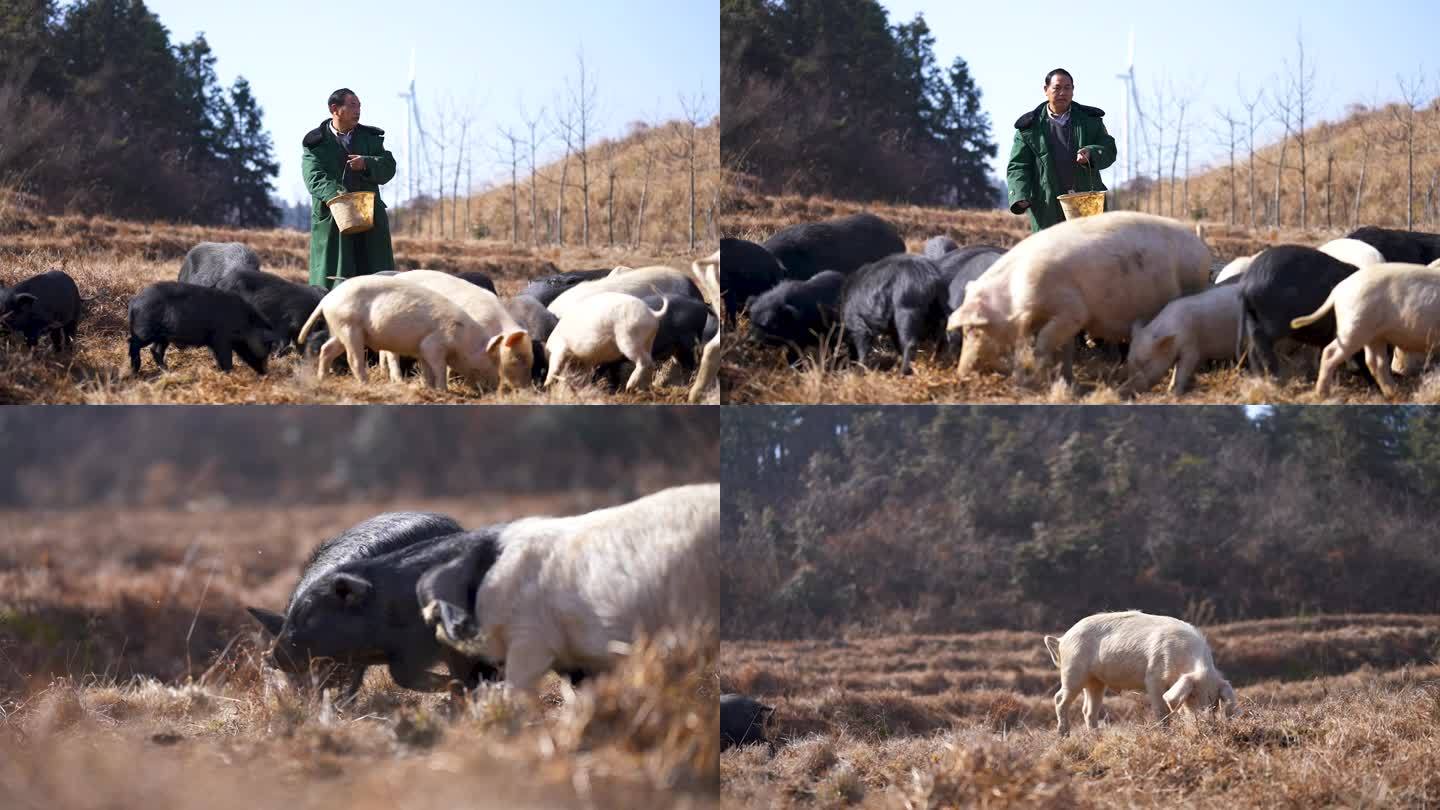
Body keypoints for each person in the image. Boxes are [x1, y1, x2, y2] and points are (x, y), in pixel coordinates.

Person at [302, 88, 397, 288]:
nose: (358, 110)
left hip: (370, 217)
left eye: (360, 106)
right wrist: (340, 198)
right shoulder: (315, 143)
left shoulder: (370, 138)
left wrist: (367, 163)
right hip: (333, 218)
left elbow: (388, 167)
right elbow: (314, 177)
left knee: (376, 281)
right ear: (335, 109)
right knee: (333, 282)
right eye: (353, 105)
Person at [1007, 68, 1117, 232]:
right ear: (1046, 90)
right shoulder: (1028, 128)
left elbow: (1109, 148)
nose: (1062, 92)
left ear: (1073, 90)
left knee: (1092, 251)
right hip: (1047, 206)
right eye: (1057, 88)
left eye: (1067, 88)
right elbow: (1018, 166)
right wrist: (1020, 195)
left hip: (1087, 203)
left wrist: (1092, 152)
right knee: (1051, 254)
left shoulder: (1090, 120)